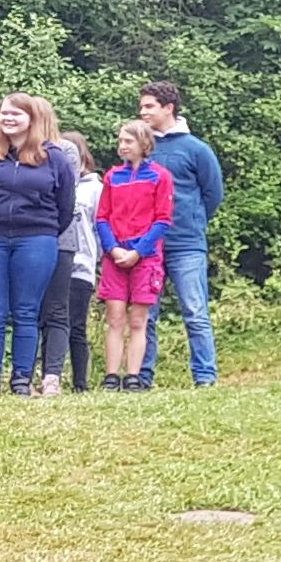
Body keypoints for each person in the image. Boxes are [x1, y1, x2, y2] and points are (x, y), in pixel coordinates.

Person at [0, 94, 78, 398]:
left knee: (26, 311)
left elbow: (66, 206)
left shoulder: (55, 158)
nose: (8, 118)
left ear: (32, 119)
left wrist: (42, 229)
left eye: (16, 114)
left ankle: (21, 379)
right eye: (4, 113)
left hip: (37, 238)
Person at [129, 82, 226, 388]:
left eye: (149, 106)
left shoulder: (197, 149)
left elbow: (213, 194)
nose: (143, 112)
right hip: (146, 246)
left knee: (195, 312)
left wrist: (191, 221)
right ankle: (141, 377)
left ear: (168, 108)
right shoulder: (141, 150)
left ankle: (205, 377)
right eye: (142, 106)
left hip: (186, 244)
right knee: (146, 314)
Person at [93, 120, 178, 392]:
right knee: (115, 318)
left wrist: (138, 251)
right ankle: (111, 376)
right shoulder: (112, 177)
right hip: (115, 256)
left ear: (144, 143)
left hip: (146, 257)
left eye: (128, 141)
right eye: (120, 141)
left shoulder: (160, 176)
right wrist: (113, 248)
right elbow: (102, 217)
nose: (122, 146)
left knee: (139, 320)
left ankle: (133, 375)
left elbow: (162, 220)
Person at [41, 131, 99, 394]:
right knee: (47, 318)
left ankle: (80, 382)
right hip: (55, 256)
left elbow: (98, 227)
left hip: (81, 264)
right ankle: (47, 374)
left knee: (75, 324)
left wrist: (97, 259)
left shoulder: (94, 188)